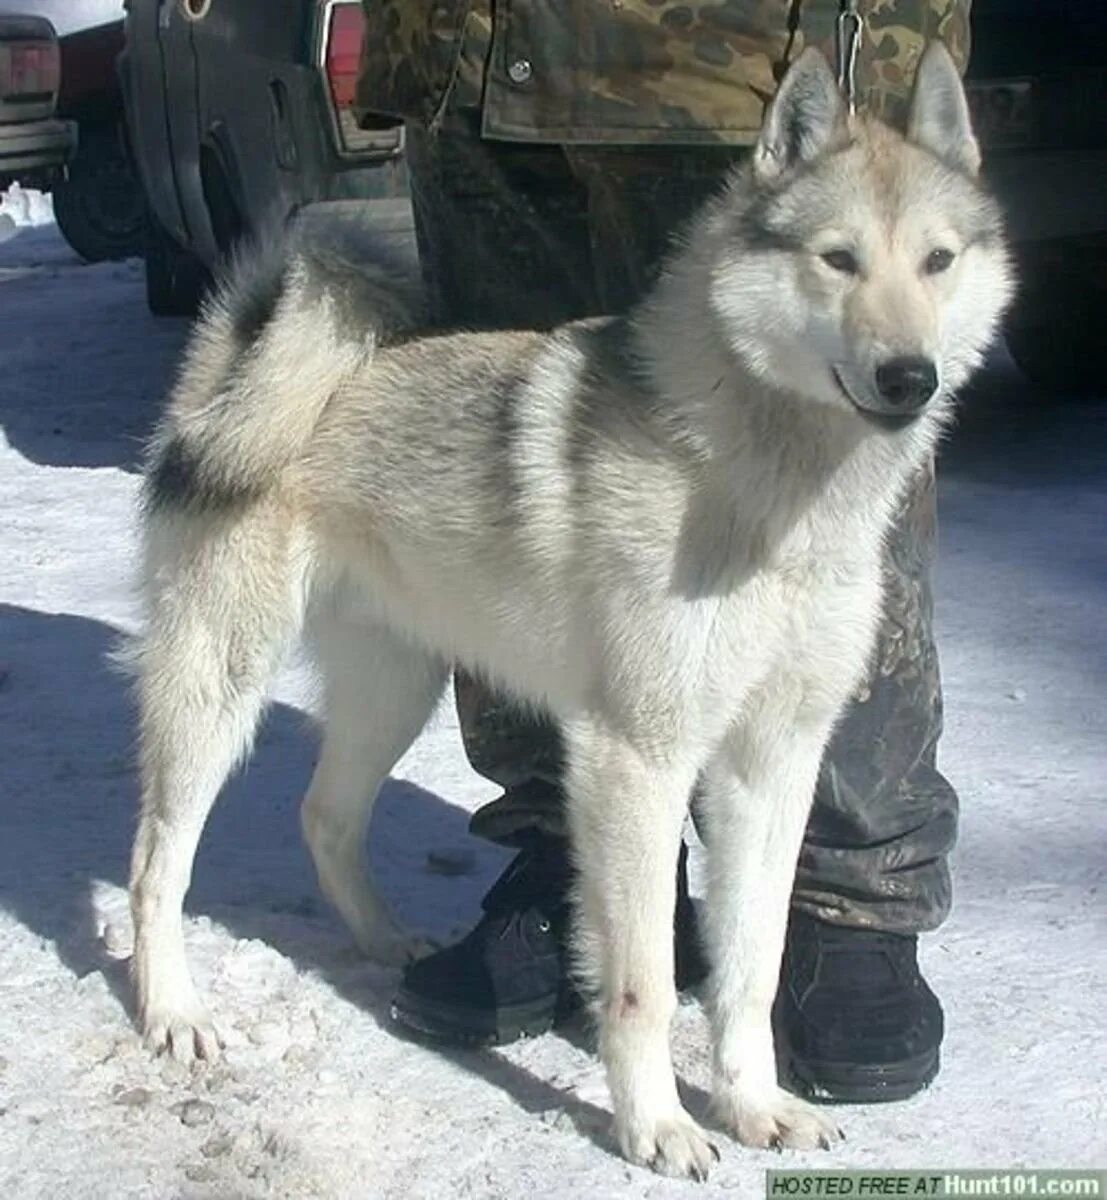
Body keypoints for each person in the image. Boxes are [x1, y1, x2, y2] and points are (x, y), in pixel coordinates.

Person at [356, 0, 971, 1103]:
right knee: (531, 513)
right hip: (475, 55)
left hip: (740, 50)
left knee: (822, 499)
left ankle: (849, 897)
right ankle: (558, 853)